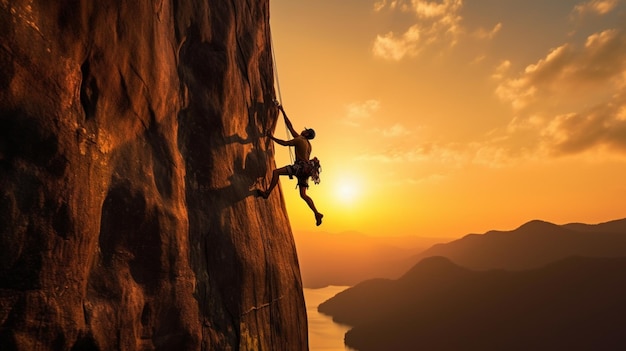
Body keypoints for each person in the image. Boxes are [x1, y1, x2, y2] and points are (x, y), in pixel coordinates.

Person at [257, 104, 324, 226]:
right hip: (305, 171)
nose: (303, 130)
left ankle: (267, 193)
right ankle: (316, 213)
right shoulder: (308, 144)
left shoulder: (299, 140)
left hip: (298, 168)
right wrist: (282, 111)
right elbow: (290, 126)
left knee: (276, 172)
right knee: (303, 195)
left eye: (305, 130)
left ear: (307, 133)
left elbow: (284, 143)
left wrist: (271, 137)